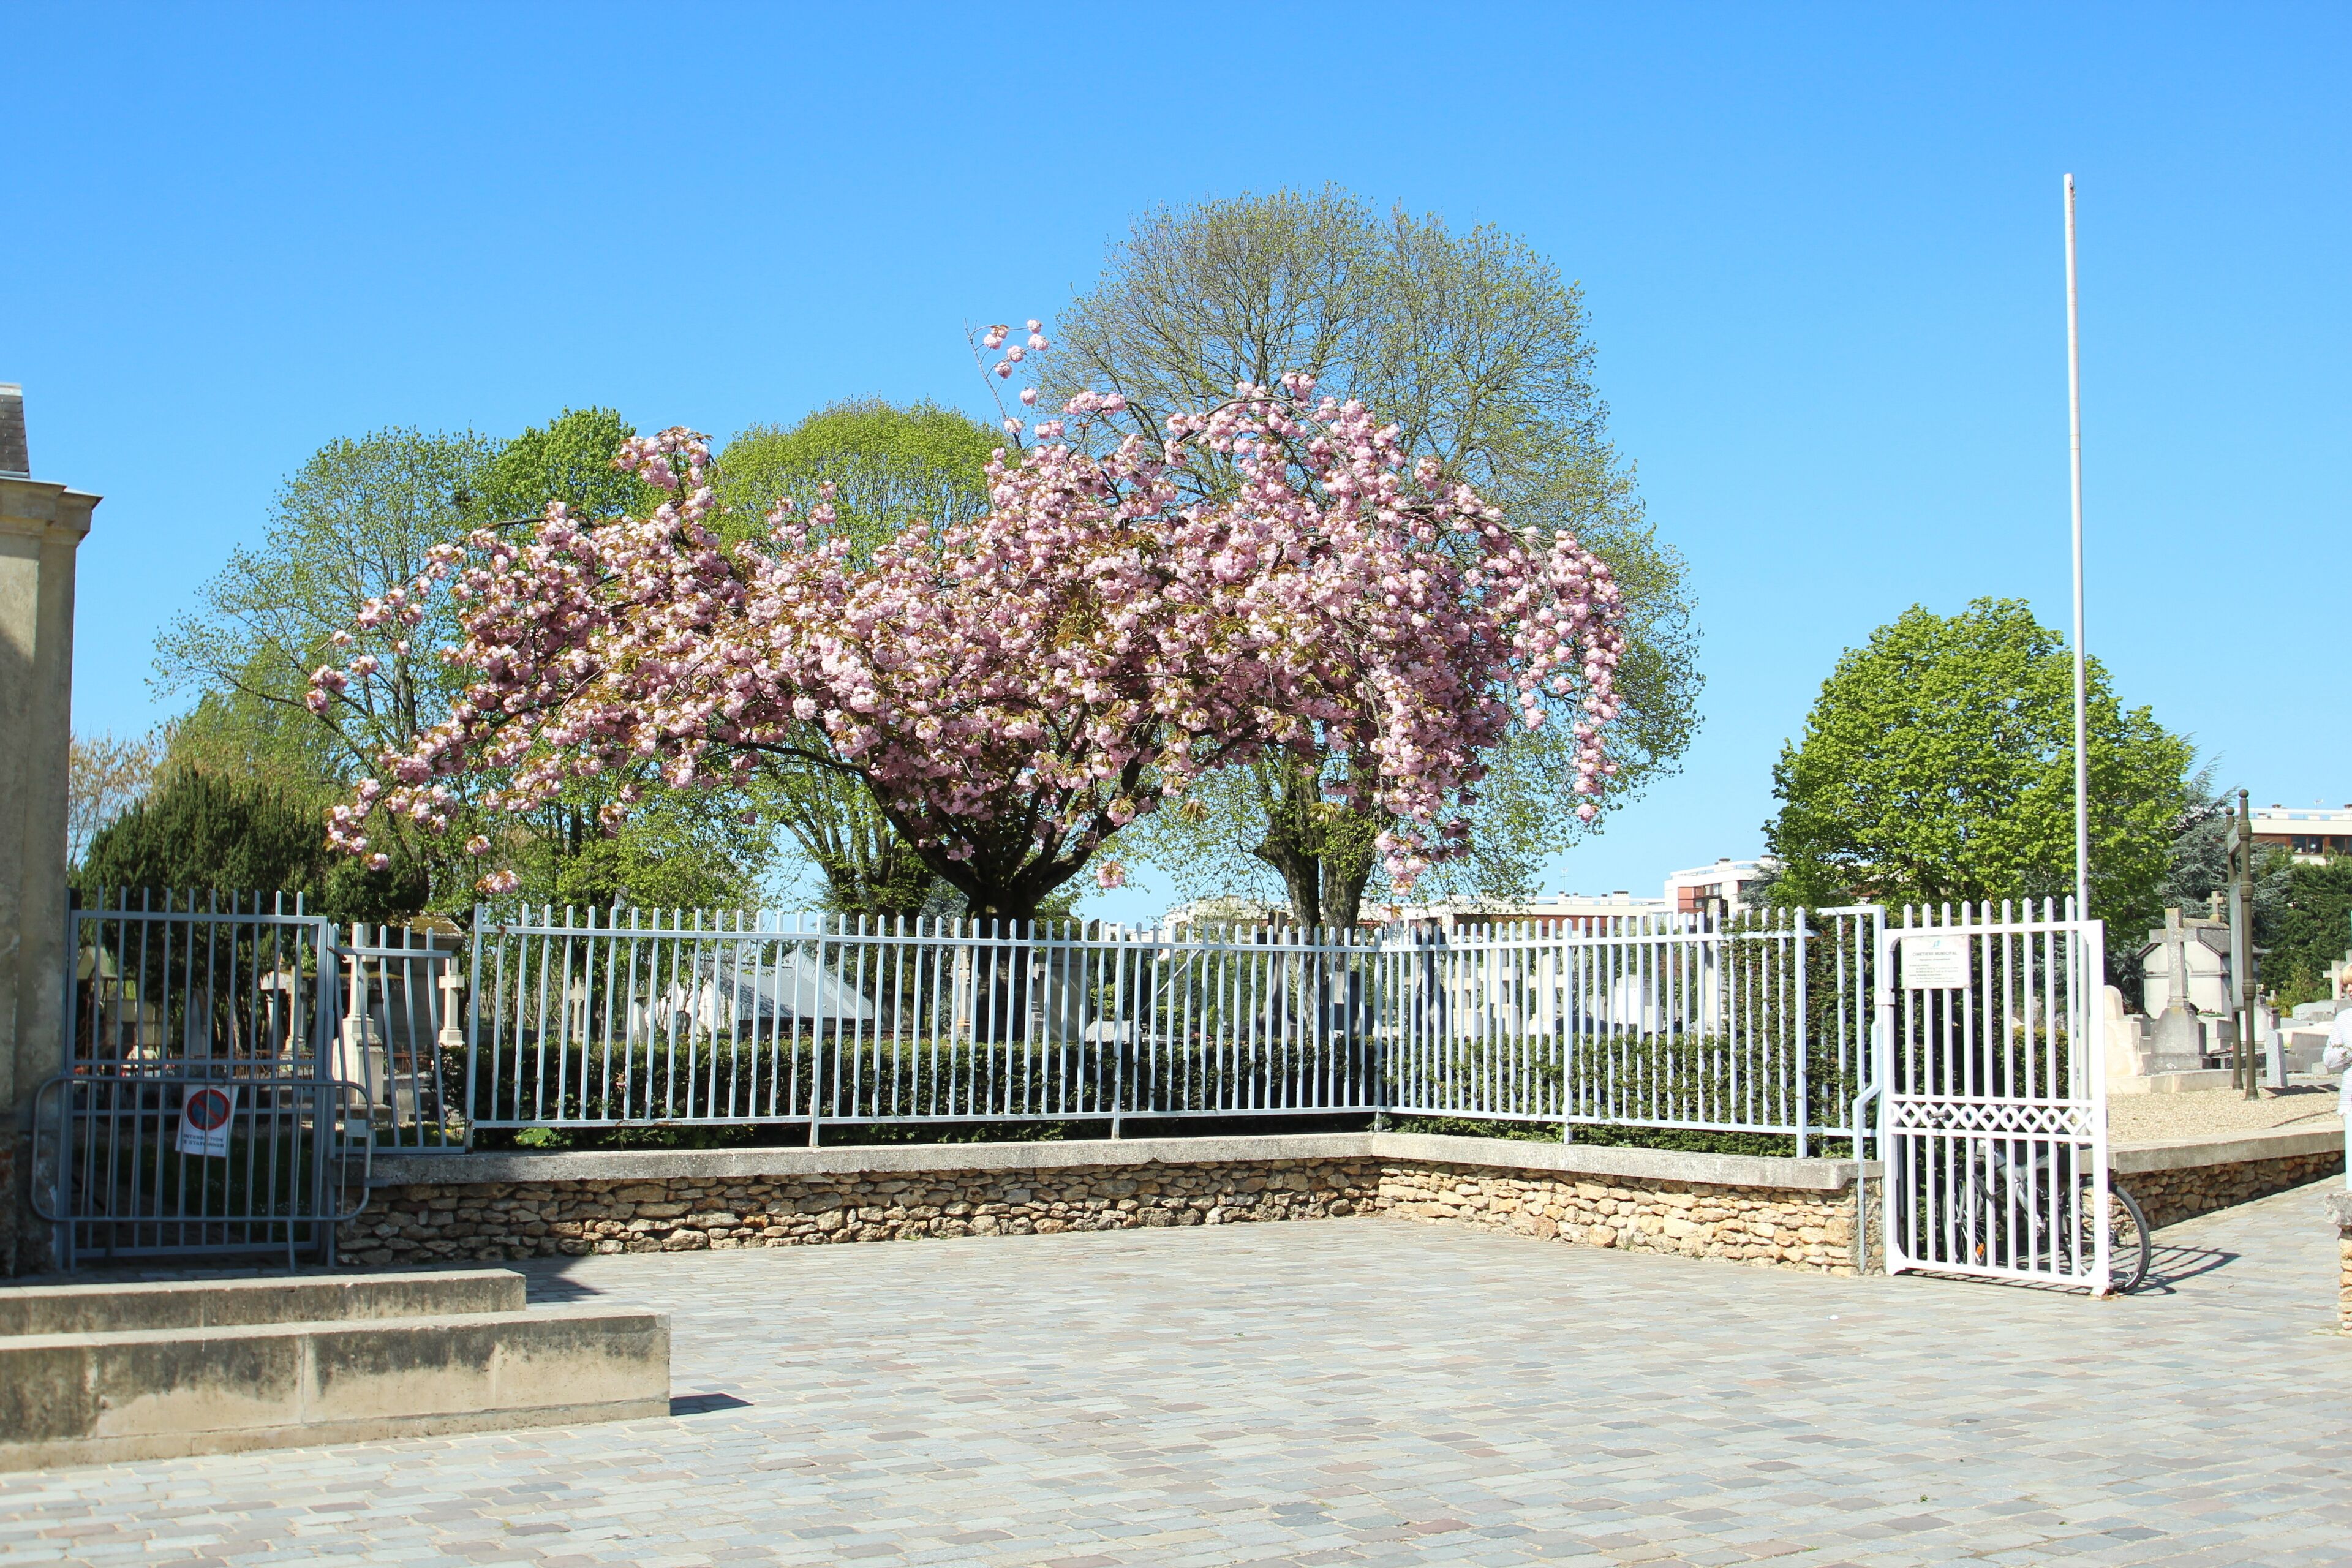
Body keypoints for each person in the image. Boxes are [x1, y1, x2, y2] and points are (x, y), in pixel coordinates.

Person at [2323, 1003, 2352, 1117]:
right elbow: (2328, 1060)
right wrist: (2349, 1052)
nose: (2349, 989)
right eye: (2347, 985)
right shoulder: (2343, 1018)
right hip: (2349, 1105)